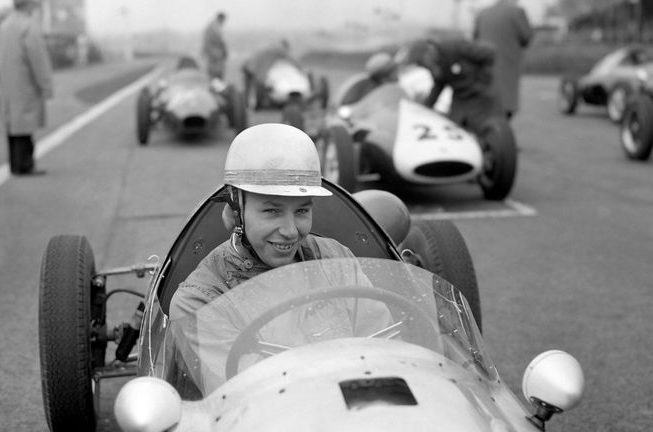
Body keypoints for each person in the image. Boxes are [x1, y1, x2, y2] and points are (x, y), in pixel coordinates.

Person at [169, 123, 391, 392]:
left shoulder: (335, 259)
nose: (290, 231)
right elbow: (245, 397)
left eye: (301, 211)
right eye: (272, 211)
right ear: (237, 209)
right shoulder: (201, 300)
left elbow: (384, 352)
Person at [0, 0, 53, 176]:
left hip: (5, 84)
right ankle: (25, 165)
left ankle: (15, 164)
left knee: (12, 125)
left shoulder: (3, 26)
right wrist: (46, 84)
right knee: (25, 127)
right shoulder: (28, 26)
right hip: (25, 83)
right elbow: (38, 59)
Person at [397, 37, 504, 135]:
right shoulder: (435, 66)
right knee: (454, 128)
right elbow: (438, 86)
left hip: (479, 94)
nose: (423, 66)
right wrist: (424, 109)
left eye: (422, 62)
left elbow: (489, 52)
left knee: (483, 128)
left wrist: (482, 80)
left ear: (427, 53)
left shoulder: (454, 47)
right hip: (459, 98)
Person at [473, 0, 534, 120]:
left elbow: (475, 40)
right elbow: (527, 37)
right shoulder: (517, 12)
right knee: (504, 109)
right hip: (507, 67)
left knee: (487, 109)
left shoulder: (482, 13)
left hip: (484, 71)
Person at [201, 11, 227, 80]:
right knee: (215, 76)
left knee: (215, 75)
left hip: (215, 55)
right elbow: (218, 41)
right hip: (214, 55)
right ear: (220, 19)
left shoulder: (213, 27)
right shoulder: (214, 27)